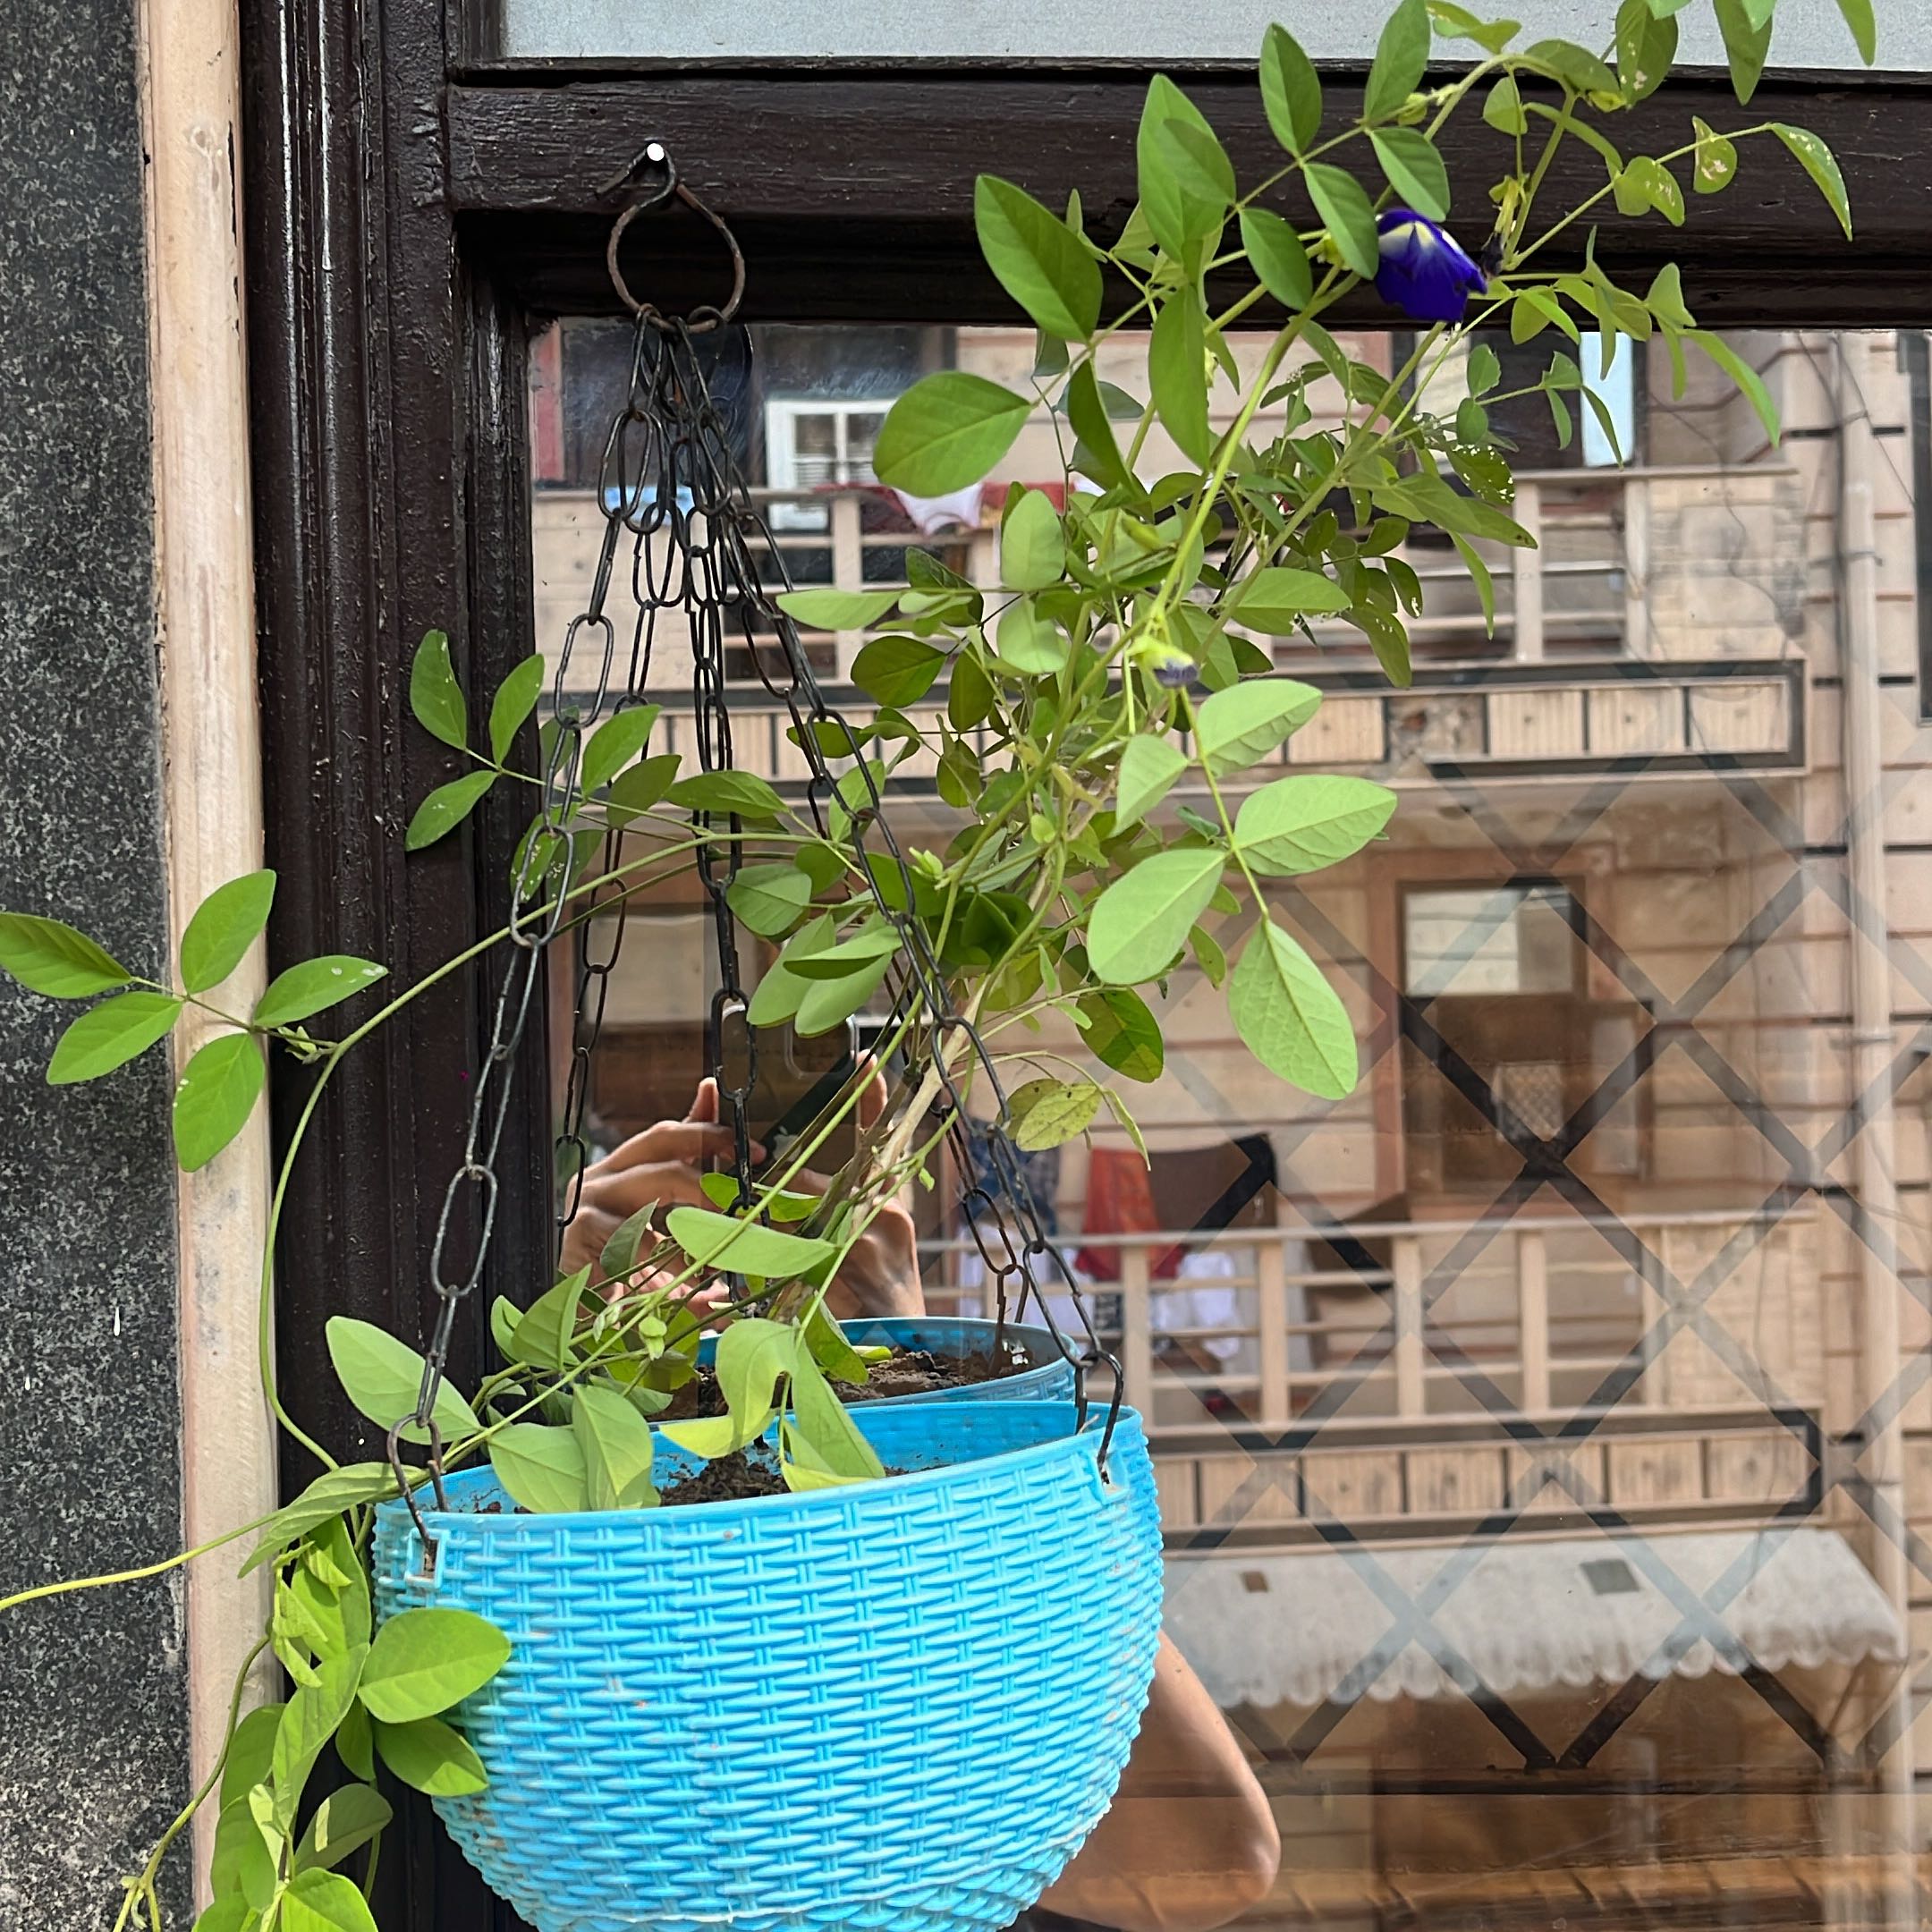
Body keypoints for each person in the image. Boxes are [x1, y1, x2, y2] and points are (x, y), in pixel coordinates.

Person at [562, 1080, 1281, 1932]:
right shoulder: (638, 1657)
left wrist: (907, 1382)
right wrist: (583, 1394)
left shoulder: (923, 1721)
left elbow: (1219, 1855)